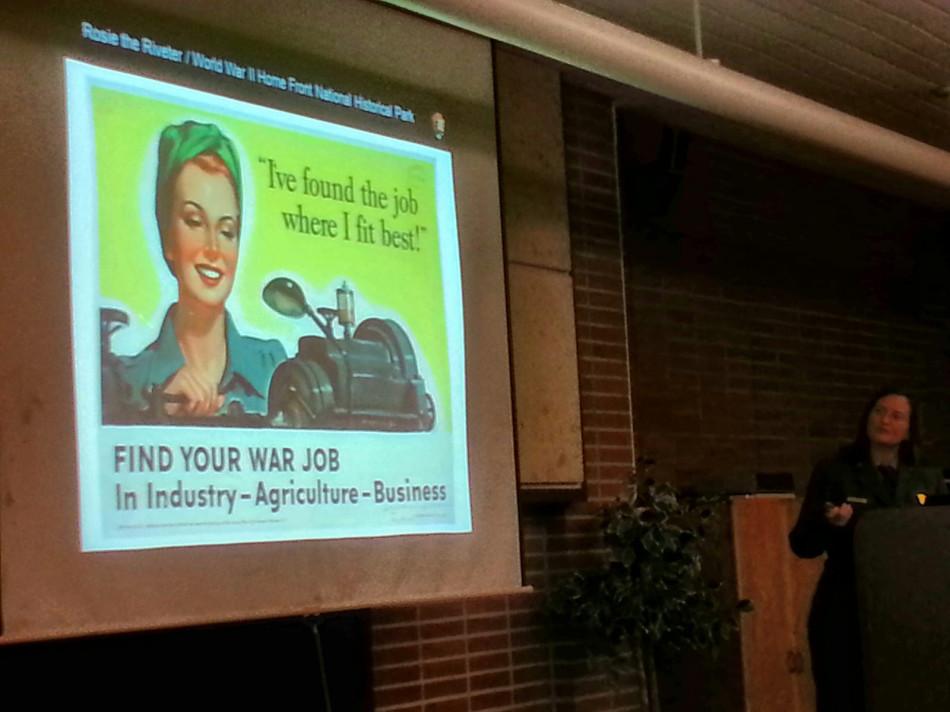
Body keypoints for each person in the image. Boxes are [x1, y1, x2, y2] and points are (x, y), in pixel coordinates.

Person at [103, 121, 285, 422]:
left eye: (227, 231)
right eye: (194, 221)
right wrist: (157, 410)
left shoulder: (273, 366)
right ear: (167, 235)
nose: (213, 248)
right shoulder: (127, 383)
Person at [789, 387, 946, 712]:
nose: (884, 420)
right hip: (846, 606)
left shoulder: (927, 476)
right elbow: (802, 543)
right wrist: (829, 524)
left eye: (896, 415)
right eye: (878, 411)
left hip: (909, 608)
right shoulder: (835, 470)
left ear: (910, 429)